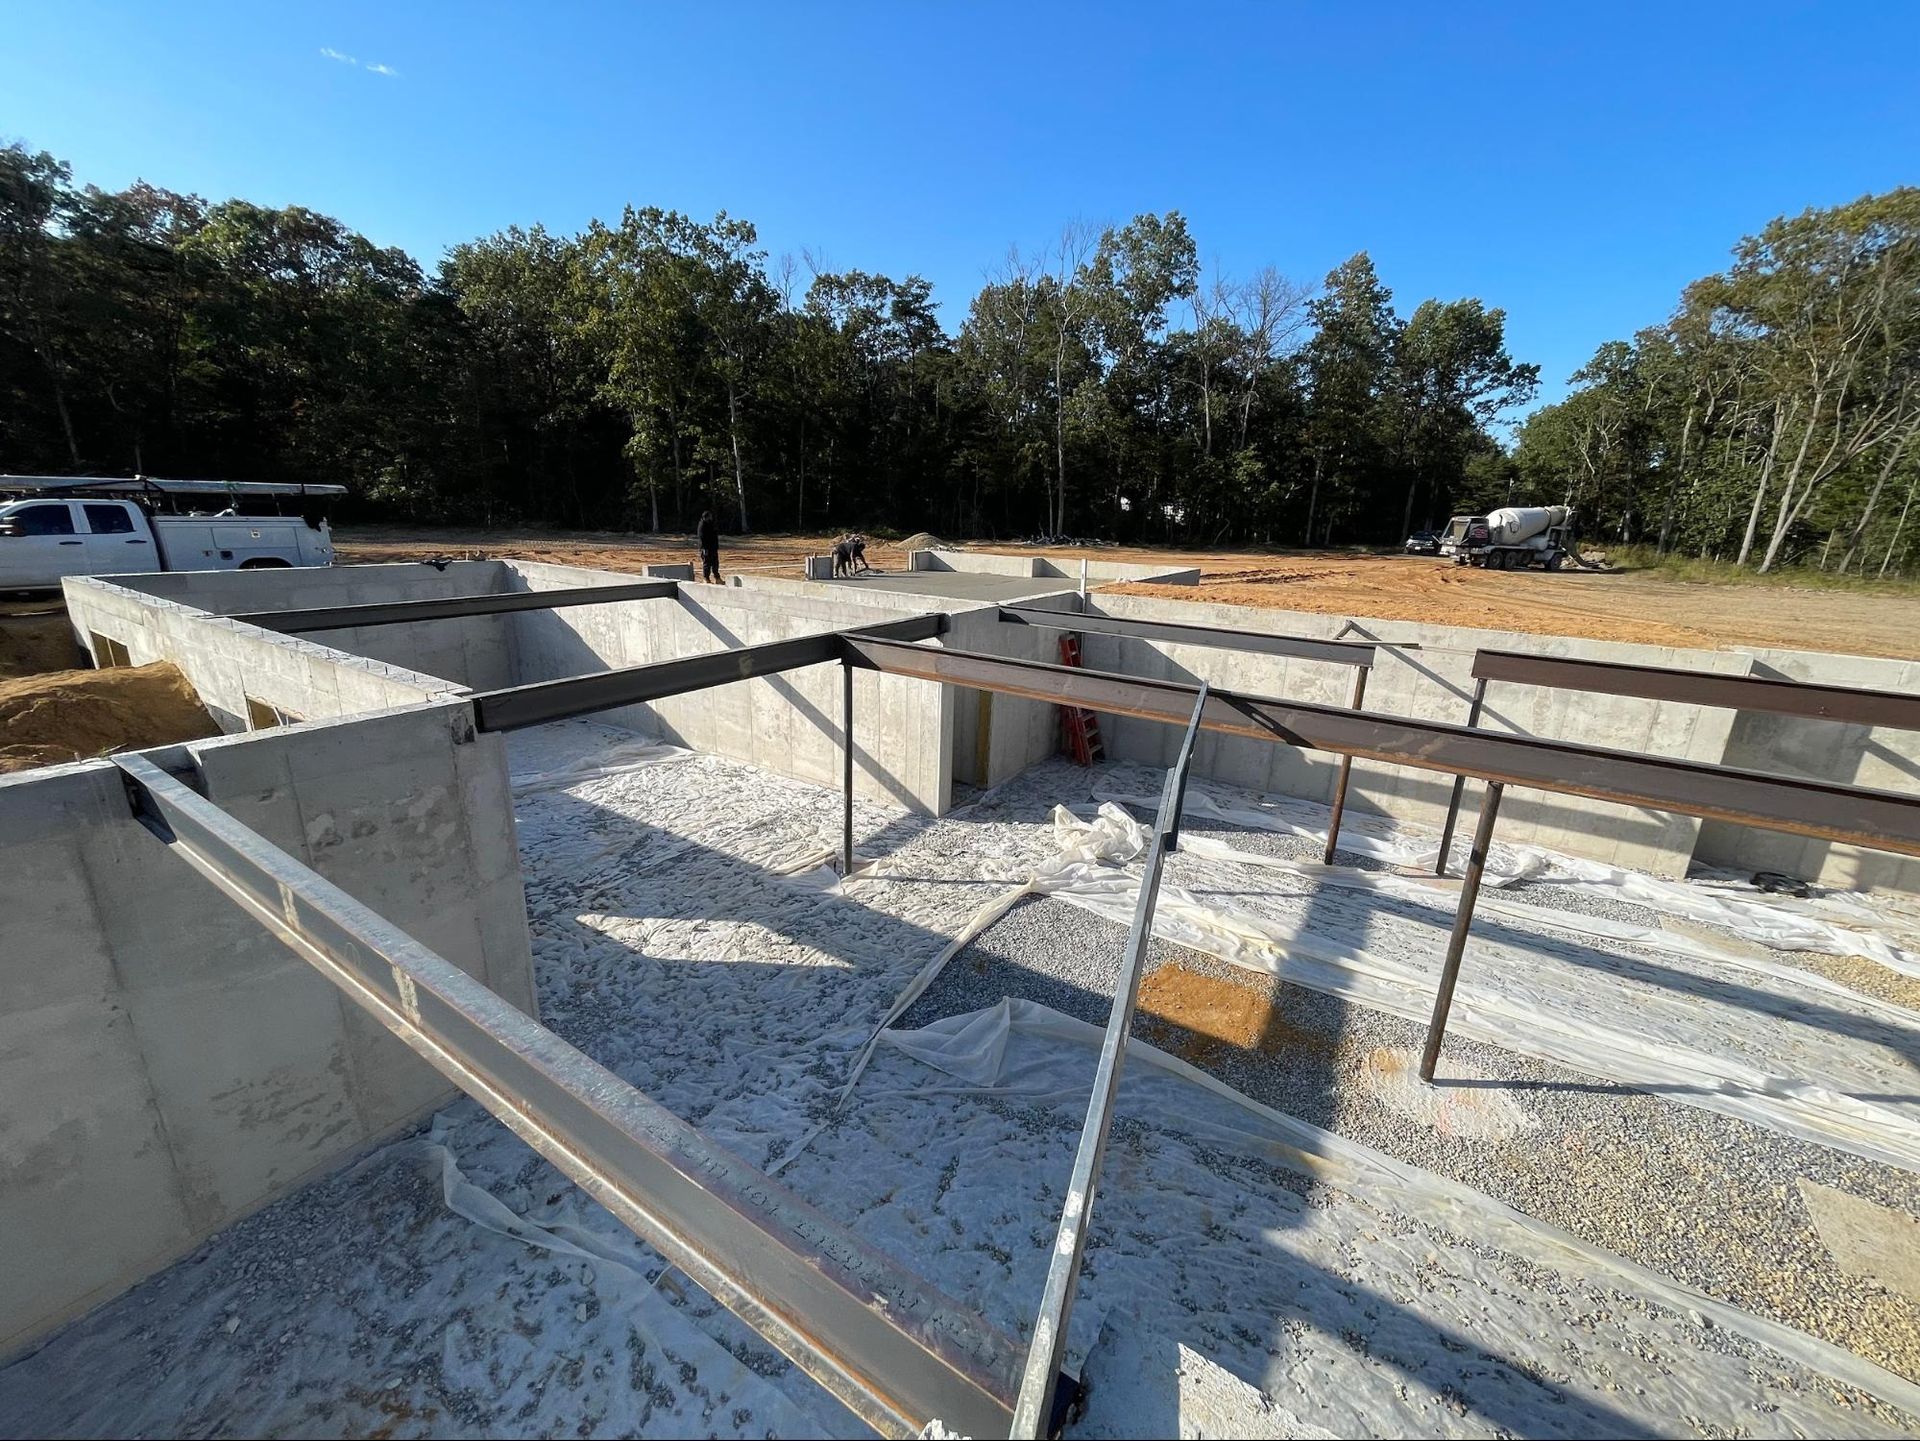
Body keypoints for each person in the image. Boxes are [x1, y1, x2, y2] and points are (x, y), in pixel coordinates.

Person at [697, 510, 721, 583]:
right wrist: (705, 548)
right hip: (706, 548)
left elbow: (714, 534)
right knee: (707, 563)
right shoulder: (702, 525)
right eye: (709, 516)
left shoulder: (711, 524)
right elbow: (702, 537)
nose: (711, 518)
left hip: (713, 548)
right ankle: (706, 578)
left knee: (715, 563)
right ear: (706, 517)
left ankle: (717, 578)